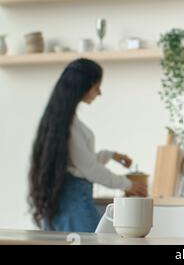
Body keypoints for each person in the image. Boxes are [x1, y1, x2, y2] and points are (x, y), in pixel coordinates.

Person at [28, 58, 147, 232]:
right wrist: (128, 184)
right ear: (83, 86)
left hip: (65, 204)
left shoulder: (61, 123)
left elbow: (79, 162)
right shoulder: (70, 127)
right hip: (75, 205)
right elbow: (89, 169)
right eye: (97, 86)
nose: (99, 93)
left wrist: (111, 155)